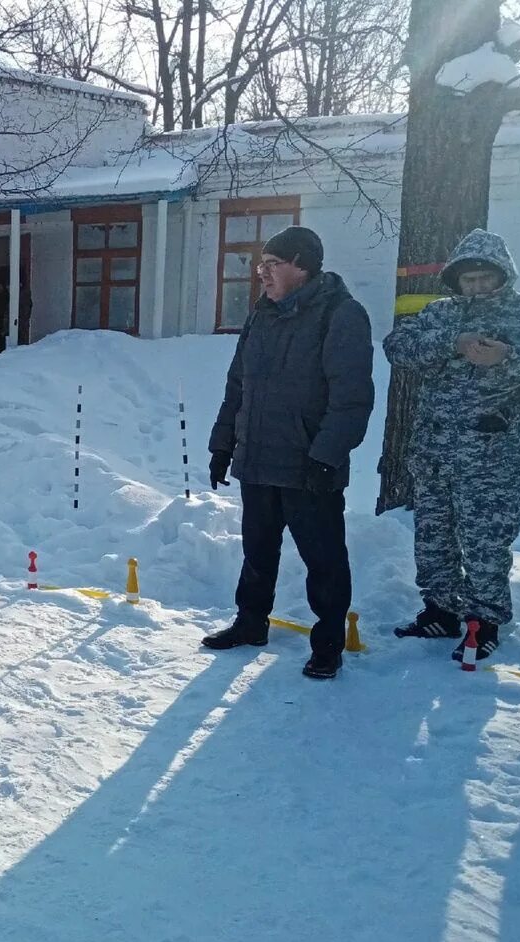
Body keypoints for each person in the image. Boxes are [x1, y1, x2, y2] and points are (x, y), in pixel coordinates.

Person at [205, 226, 374, 680]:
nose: (261, 274)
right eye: (260, 265)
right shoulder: (261, 315)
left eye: (271, 264)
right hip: (258, 459)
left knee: (324, 560)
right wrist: (222, 444)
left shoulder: (340, 315)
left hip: (309, 466)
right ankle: (250, 623)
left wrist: (327, 456)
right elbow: (238, 384)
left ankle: (328, 645)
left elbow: (352, 397)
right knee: (258, 552)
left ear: (302, 263)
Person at [384, 229, 520, 662]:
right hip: (433, 452)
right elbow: (398, 347)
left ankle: (484, 622)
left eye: (484, 278)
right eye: (468, 279)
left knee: (486, 542)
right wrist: (450, 344)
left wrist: (507, 356)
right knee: (434, 538)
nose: (476, 286)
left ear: (502, 276)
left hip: (494, 459)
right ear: (456, 280)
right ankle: (441, 611)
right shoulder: (439, 314)